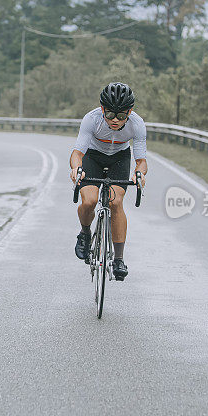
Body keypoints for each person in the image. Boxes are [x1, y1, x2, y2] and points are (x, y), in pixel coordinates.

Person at [69, 82, 148, 280]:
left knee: (115, 202)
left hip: (119, 159)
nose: (115, 120)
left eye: (121, 116)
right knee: (89, 201)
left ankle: (119, 259)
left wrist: (139, 174)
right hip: (93, 156)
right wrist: (76, 168)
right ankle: (85, 233)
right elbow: (78, 153)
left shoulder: (137, 124)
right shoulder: (91, 119)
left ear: (129, 112)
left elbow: (141, 161)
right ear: (102, 109)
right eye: (110, 115)